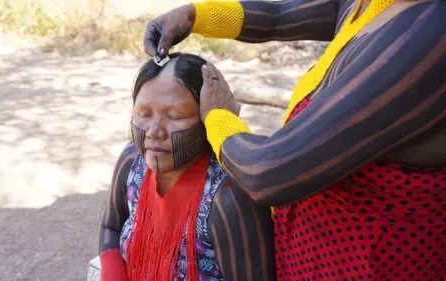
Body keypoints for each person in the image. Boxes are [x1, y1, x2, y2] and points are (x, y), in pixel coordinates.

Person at [144, 0, 446, 280]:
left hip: (374, 266)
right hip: (308, 256)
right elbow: (277, 17)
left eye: (175, 116)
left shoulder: (431, 33)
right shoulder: (368, 4)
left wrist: (218, 117)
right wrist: (196, 15)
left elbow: (269, 172)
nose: (156, 130)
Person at [98, 52, 274, 281]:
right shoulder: (132, 162)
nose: (154, 132)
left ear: (206, 119)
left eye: (176, 116)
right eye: (143, 114)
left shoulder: (228, 197)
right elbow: (110, 228)